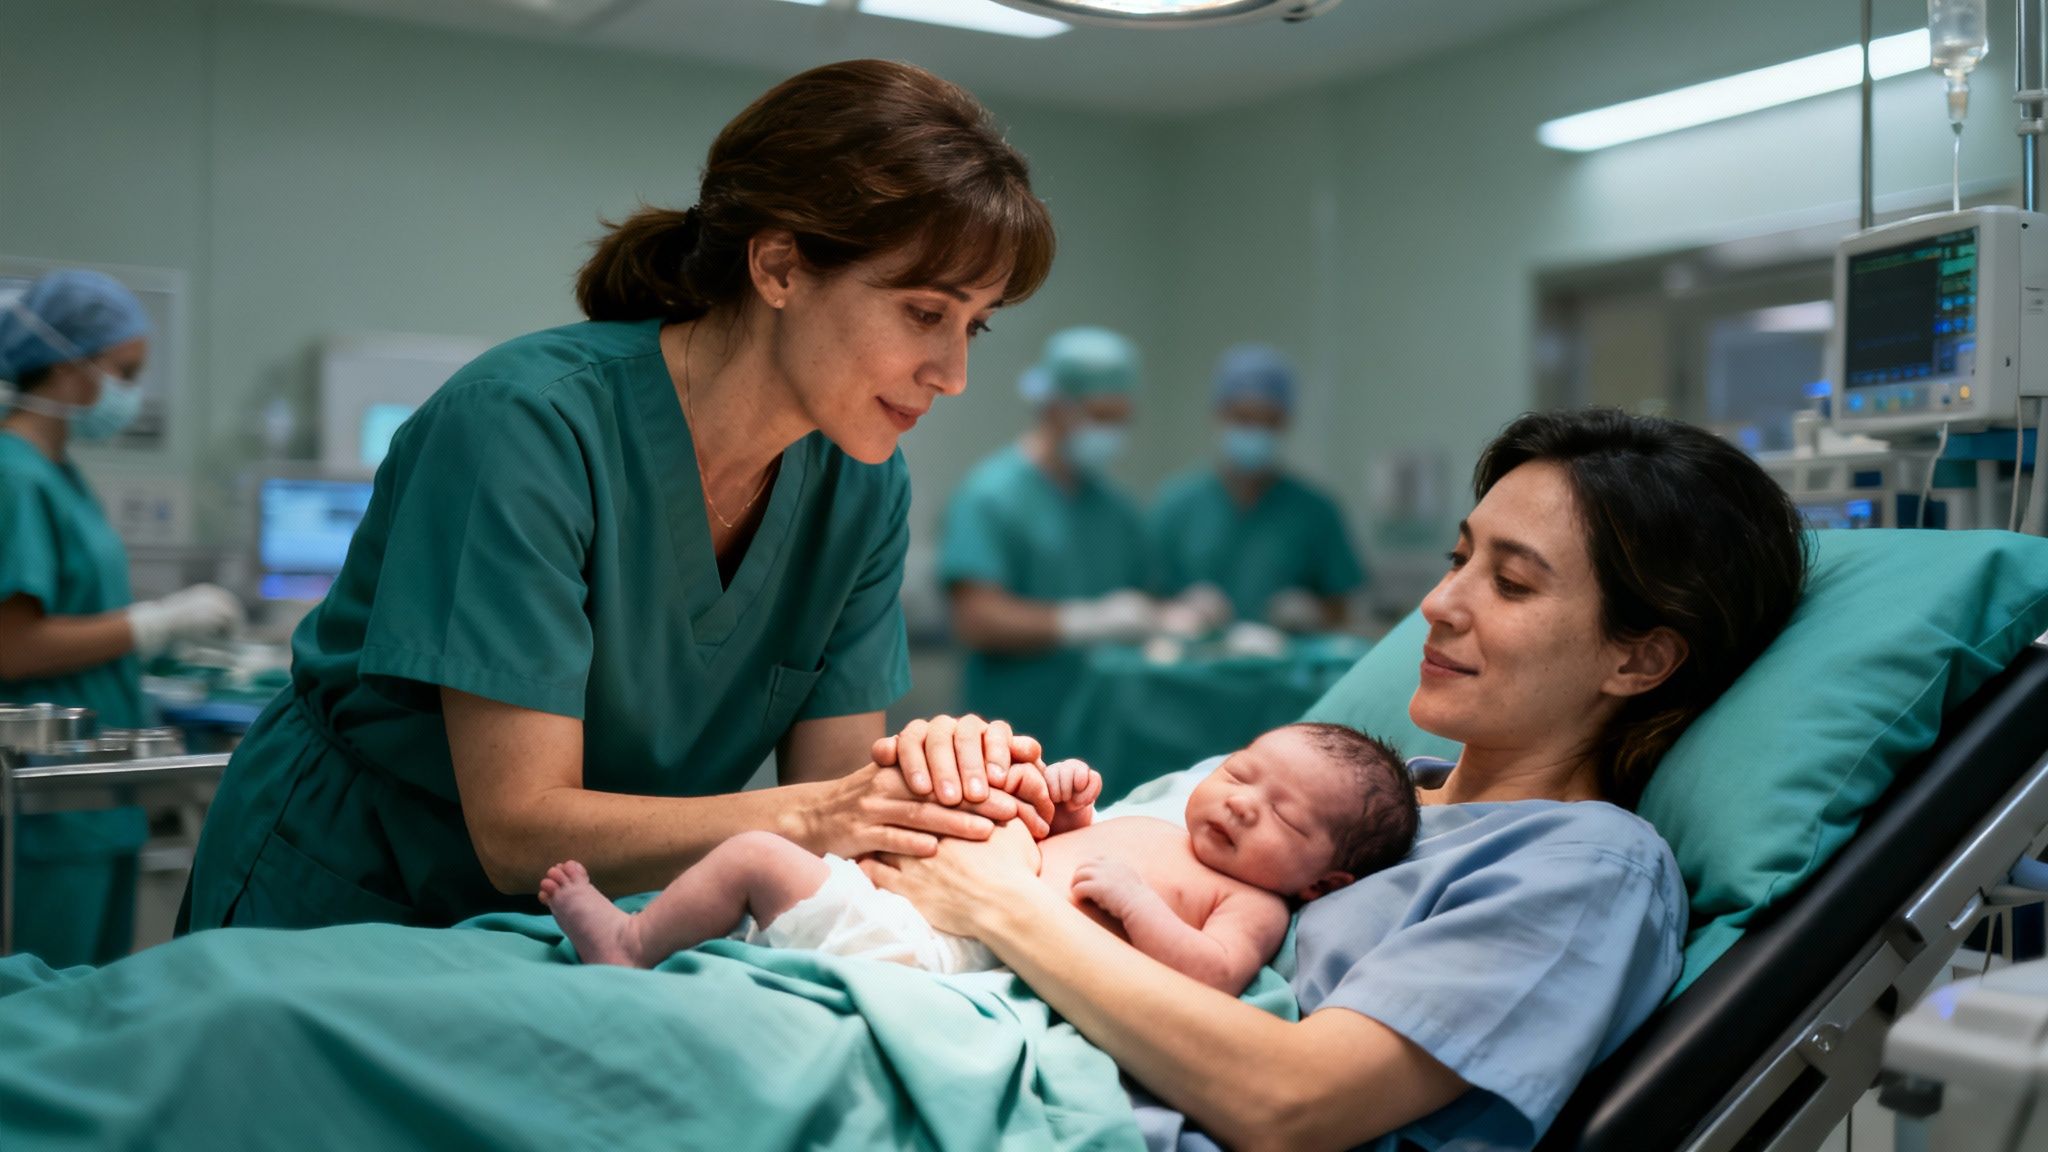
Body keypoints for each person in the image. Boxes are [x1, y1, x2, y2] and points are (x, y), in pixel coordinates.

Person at [182, 60, 1060, 935]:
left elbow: (838, 807)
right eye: (923, 313)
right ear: (781, 266)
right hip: (349, 890)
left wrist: (946, 790)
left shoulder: (861, 484)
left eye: (973, 324)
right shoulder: (527, 426)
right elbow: (519, 831)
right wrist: (829, 811)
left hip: (590, 921)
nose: (953, 375)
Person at [869, 408, 1811, 1151]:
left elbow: (1291, 1104)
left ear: (1639, 661)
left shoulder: (1583, 867)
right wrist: (984, 788)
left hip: (1009, 1092)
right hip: (905, 978)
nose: (1438, 605)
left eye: (1512, 584)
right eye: (1456, 560)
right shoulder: (1329, 783)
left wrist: (1001, 908)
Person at [539, 722, 1416, 997]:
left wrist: (1139, 909)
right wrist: (1072, 811)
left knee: (757, 854)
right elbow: (1063, 851)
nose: (1237, 801)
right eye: (1239, 771)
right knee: (767, 861)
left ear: (1323, 882)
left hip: (943, 949)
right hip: (907, 903)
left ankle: (633, 941)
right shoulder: (1170, 831)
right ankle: (662, 930)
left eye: (1281, 814)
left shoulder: (1256, 904)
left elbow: (1217, 974)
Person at [0, 270, 243, 966]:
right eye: (126, 372)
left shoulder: (58, 469)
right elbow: (12, 649)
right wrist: (156, 623)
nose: (130, 393)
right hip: (46, 805)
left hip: (92, 793)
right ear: (73, 366)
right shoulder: (15, 476)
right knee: (41, 1015)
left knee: (85, 1001)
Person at [939, 326, 1155, 741]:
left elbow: (1140, 598)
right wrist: (1080, 622)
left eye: (1120, 418)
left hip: (1100, 736)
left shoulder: (1115, 508)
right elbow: (976, 619)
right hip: (1007, 737)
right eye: (1100, 416)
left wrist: (1174, 618)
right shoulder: (991, 496)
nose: (1111, 432)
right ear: (1056, 407)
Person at [1150, 344, 1363, 634]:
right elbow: (1145, 599)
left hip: (1286, 676)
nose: (1254, 430)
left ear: (1286, 421)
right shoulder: (1176, 506)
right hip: (1191, 675)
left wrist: (1310, 612)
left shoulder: (1316, 511)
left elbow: (1341, 607)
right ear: (1219, 414)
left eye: (1268, 420)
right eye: (1243, 418)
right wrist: (1176, 612)